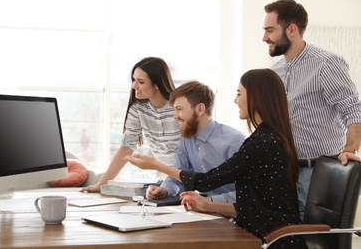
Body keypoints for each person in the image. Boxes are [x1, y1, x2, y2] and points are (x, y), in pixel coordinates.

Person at [126, 69, 308, 249]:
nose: (235, 100)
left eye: (239, 94)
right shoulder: (264, 138)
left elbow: (206, 182)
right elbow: (252, 205)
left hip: (272, 239)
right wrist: (207, 204)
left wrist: (155, 165)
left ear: (256, 97)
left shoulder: (260, 143)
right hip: (256, 231)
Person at [262, 0, 361, 209]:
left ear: (292, 29)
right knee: (288, 238)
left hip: (320, 172)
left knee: (316, 239)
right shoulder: (275, 71)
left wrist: (350, 148)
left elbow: (353, 112)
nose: (264, 38)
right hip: (286, 172)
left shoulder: (326, 63)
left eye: (270, 30)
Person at [81, 57, 181, 193]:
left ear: (157, 84)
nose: (134, 86)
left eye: (141, 82)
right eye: (134, 80)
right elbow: (126, 147)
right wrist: (100, 185)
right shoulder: (138, 109)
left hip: (190, 176)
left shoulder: (179, 107)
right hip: (170, 178)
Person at [144, 81, 246, 203]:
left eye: (179, 109)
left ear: (200, 109)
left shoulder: (234, 141)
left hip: (235, 215)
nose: (175, 116)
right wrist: (164, 190)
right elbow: (179, 175)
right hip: (207, 211)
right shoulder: (186, 139)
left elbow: (249, 193)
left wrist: (209, 202)